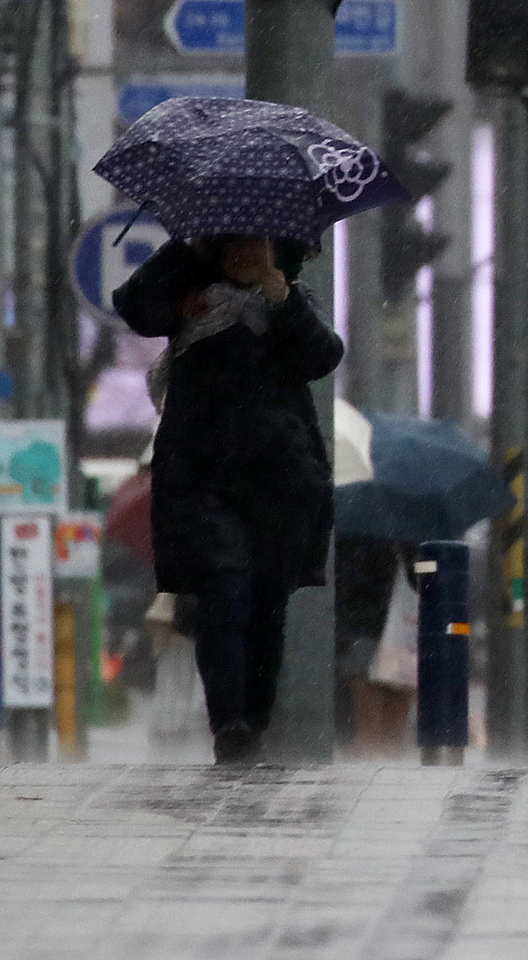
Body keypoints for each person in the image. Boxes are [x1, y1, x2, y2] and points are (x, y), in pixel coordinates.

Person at [113, 235, 343, 764]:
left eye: (257, 243)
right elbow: (134, 307)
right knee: (223, 589)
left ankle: (253, 722)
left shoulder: (291, 294)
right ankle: (229, 724)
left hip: (279, 477)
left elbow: (321, 356)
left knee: (267, 603)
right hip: (200, 474)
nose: (246, 249)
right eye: (237, 241)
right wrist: (185, 275)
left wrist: (275, 291)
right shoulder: (188, 274)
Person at [335, 534, 418, 758]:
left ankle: (373, 744)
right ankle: (386, 746)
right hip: (385, 611)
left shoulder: (357, 524)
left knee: (368, 671)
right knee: (392, 673)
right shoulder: (412, 520)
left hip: (367, 609)